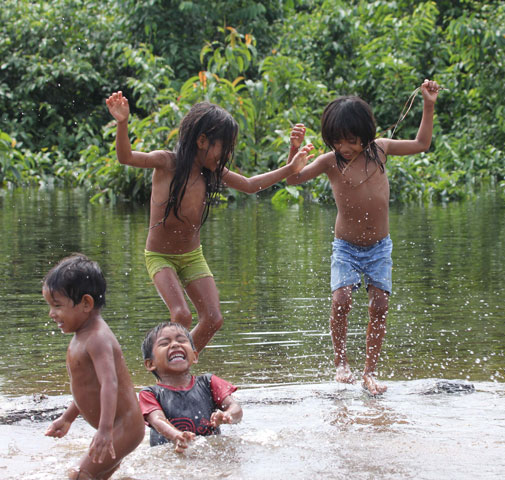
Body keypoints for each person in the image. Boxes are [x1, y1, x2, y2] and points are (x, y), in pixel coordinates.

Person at [106, 92, 313, 352]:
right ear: (202, 141)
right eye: (222, 148)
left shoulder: (212, 172)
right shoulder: (167, 162)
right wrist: (122, 123)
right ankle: (167, 366)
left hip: (193, 257)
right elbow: (126, 157)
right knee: (181, 314)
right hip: (160, 257)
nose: (224, 156)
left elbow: (249, 185)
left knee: (214, 319)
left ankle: (178, 365)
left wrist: (290, 169)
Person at [287, 80, 441, 395]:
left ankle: (370, 372)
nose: (345, 148)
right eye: (338, 142)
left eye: (352, 141)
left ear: (365, 134)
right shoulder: (329, 162)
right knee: (341, 298)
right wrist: (294, 151)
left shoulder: (381, 149)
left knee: (380, 304)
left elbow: (422, 144)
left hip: (379, 247)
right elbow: (293, 177)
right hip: (345, 247)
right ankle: (341, 361)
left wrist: (428, 103)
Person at [43, 254, 145, 480]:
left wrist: (105, 430)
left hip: (123, 427)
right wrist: (68, 417)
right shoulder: (82, 334)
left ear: (86, 303)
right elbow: (88, 387)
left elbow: (109, 383)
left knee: (79, 475)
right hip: (117, 426)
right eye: (50, 306)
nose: (52, 314)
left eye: (57, 305)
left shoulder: (97, 338)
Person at [139, 322, 242, 452]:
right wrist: (176, 435)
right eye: (164, 343)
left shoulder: (209, 382)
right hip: (172, 456)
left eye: (181, 340)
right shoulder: (149, 394)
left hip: (210, 452)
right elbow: (157, 419)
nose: (175, 344)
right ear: (150, 364)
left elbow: (236, 408)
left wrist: (228, 415)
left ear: (195, 356)